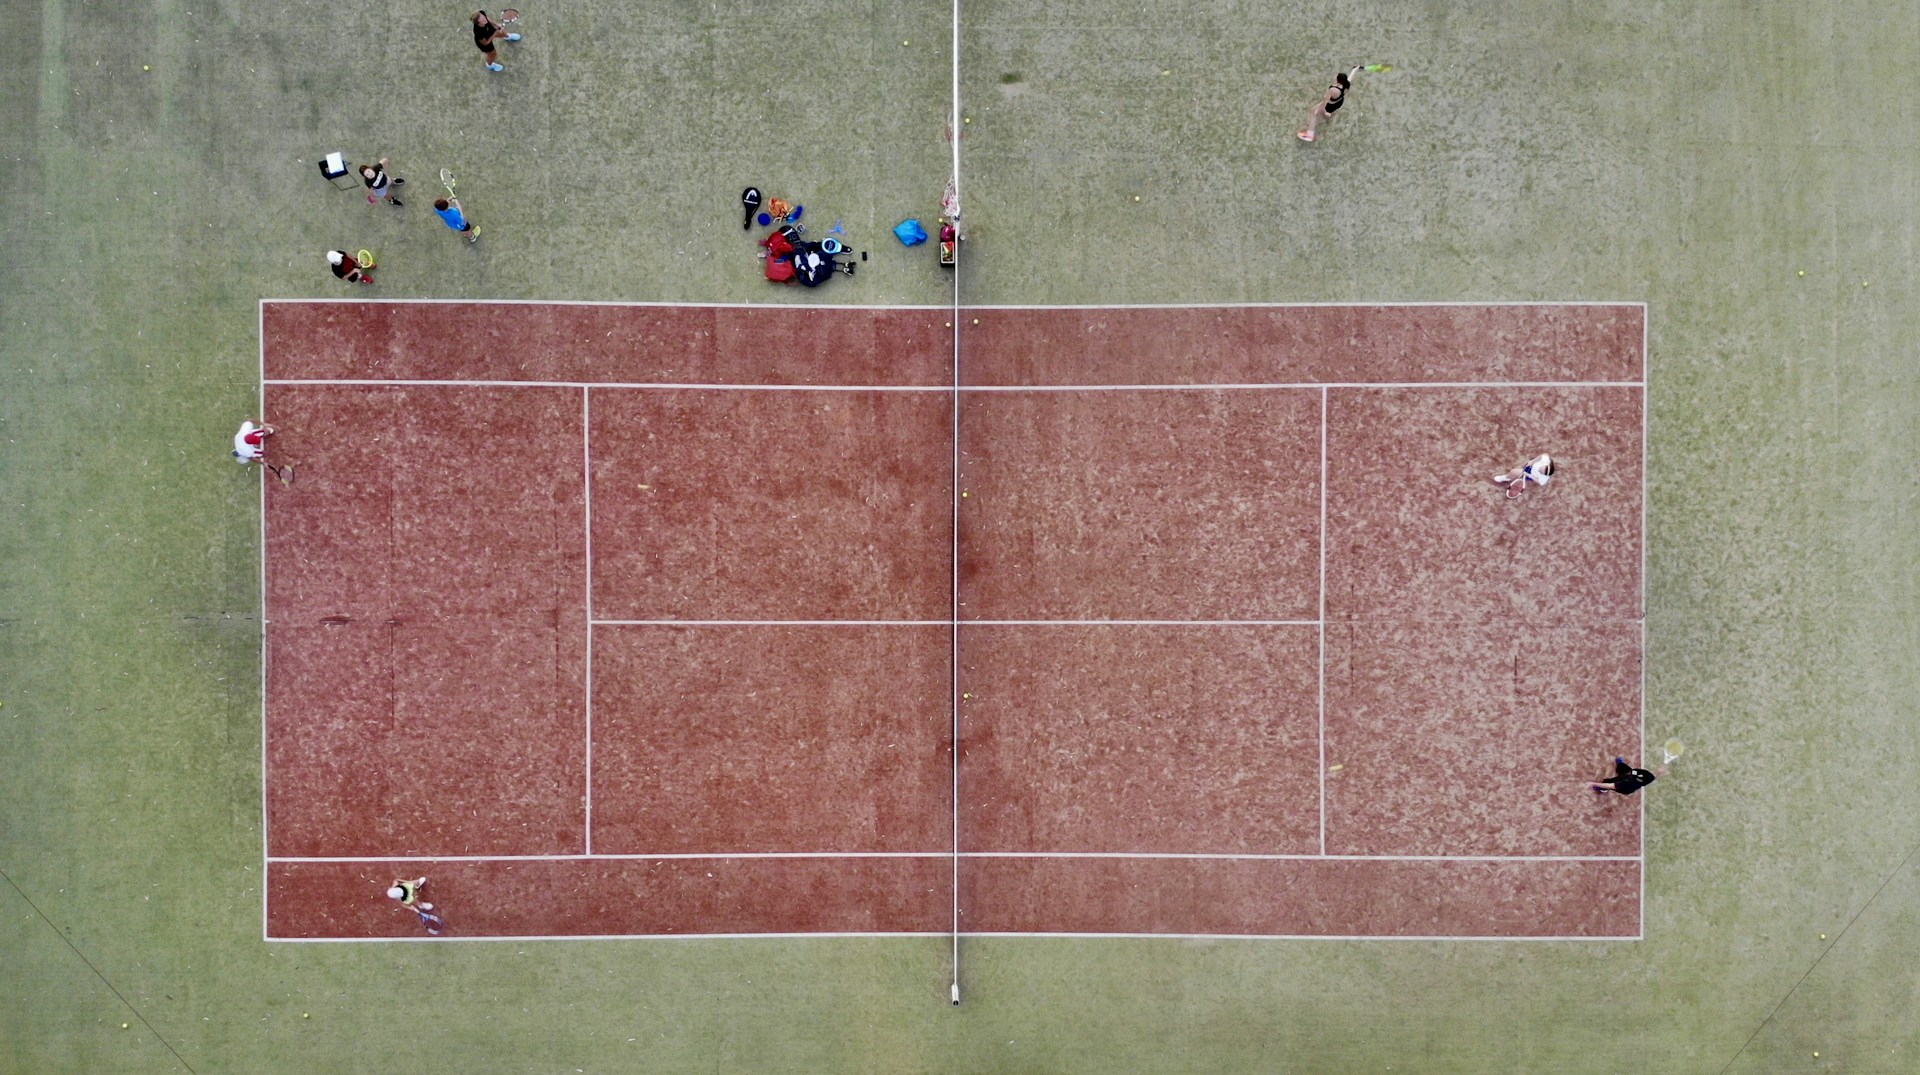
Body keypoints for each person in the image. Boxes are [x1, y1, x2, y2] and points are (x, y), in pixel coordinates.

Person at [1297, 67, 1361, 143]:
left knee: (1313, 112)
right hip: (1338, 103)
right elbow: (1351, 75)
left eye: (1336, 76)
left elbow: (1325, 100)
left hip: (1329, 105)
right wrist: (1356, 69)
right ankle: (1328, 119)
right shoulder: (1346, 84)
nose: (1335, 75)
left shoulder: (1333, 89)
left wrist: (1324, 110)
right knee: (1329, 114)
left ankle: (1310, 134)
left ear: (1338, 80)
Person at [1592, 757, 1659, 796]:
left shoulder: (1626, 782)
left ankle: (1602, 789)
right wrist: (1659, 772)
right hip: (1628, 776)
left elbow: (1610, 785)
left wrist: (1593, 784)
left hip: (1624, 787)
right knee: (1624, 768)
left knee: (1607, 782)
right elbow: (1654, 776)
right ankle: (1620, 764)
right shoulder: (1647, 778)